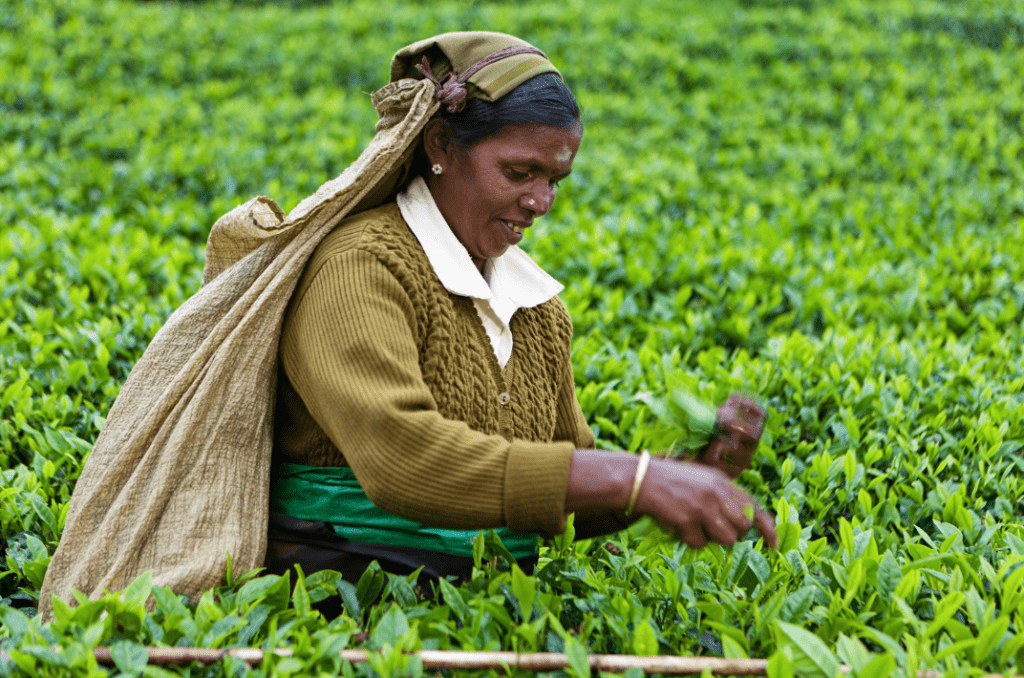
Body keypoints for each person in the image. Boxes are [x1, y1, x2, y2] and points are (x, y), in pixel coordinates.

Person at [262, 31, 778, 588]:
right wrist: (636, 478)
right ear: (440, 144)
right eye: (519, 173)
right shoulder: (360, 267)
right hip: (347, 599)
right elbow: (401, 457)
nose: (541, 202)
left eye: (554, 180)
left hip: (492, 606)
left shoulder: (536, 308)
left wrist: (685, 472)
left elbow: (568, 486)